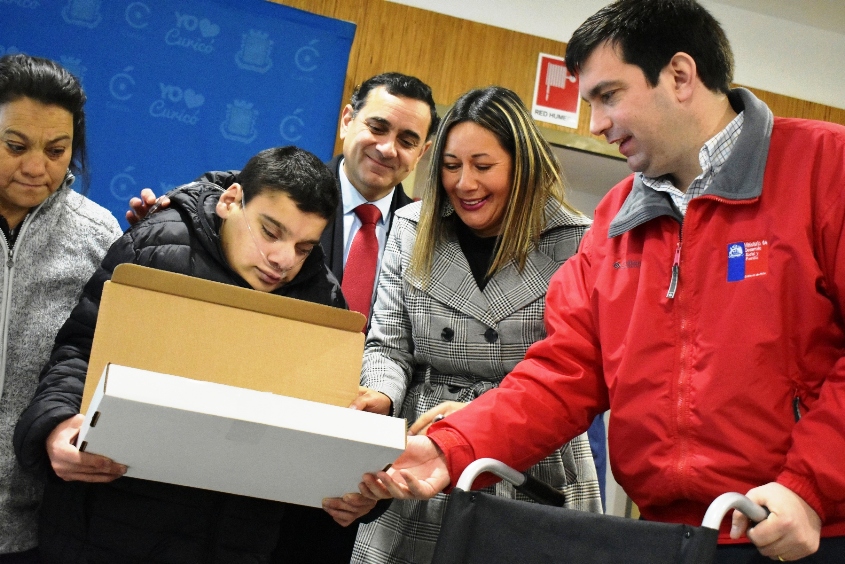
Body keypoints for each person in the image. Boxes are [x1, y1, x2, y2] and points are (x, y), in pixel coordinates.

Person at [358, 1, 845, 563]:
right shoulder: (616, 220)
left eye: (609, 96)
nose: (596, 123)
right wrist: (454, 447)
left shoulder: (822, 168)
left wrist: (810, 487)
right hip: (672, 536)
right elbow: (564, 371)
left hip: (805, 527)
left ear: (680, 76)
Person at [13, 146, 348, 563]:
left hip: (231, 539)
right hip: (105, 526)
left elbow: (327, 427)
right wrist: (56, 426)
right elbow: (80, 349)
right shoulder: (157, 245)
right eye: (270, 231)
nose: (282, 260)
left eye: (303, 247)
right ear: (231, 201)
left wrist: (355, 489)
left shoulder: (321, 298)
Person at [334, 86, 602, 564]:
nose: (464, 184)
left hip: (529, 455)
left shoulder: (575, 241)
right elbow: (388, 346)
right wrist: (381, 394)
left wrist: (482, 415)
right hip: (424, 438)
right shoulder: (413, 227)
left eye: (483, 166)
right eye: (452, 165)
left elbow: (577, 368)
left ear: (522, 166)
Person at [128, 72, 439, 323]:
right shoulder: (267, 190)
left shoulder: (428, 236)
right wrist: (167, 225)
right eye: (378, 127)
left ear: (422, 152)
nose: (387, 148)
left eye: (407, 140)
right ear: (347, 121)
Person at [0, 53, 122, 563]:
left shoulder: (99, 236)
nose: (36, 168)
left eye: (57, 150)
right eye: (14, 146)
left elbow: (106, 373)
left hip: (39, 527)